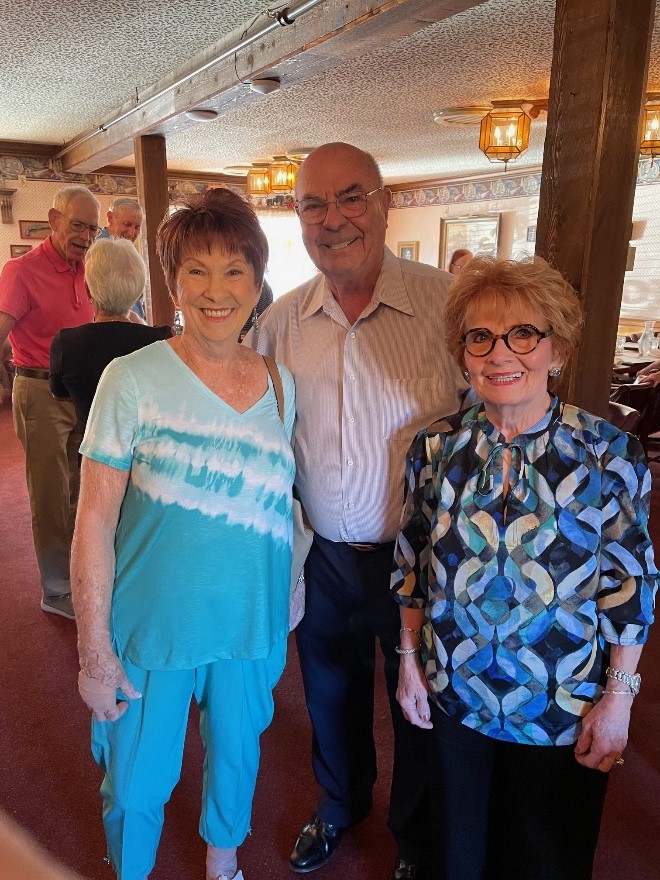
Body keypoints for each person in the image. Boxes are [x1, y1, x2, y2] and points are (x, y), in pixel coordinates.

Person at [391, 256, 658, 880]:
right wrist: (408, 662)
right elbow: (412, 565)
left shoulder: (607, 453)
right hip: (456, 688)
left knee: (543, 858)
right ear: (463, 355)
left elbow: (631, 585)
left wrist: (618, 698)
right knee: (458, 855)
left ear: (556, 350)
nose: (499, 353)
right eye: (480, 337)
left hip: (561, 700)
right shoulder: (436, 447)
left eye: (523, 334)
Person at [248, 142, 468, 880]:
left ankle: (413, 835)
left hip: (422, 561)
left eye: (351, 198)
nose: (333, 219)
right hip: (324, 555)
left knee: (419, 705)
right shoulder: (280, 324)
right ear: (297, 217)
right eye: (313, 204)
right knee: (329, 693)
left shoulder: (446, 308)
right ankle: (339, 805)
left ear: (384, 204)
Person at [70, 187, 295, 880]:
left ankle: (222, 863)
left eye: (234, 270)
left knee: (237, 760)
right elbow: (93, 520)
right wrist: (93, 651)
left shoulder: (282, 384)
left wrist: (288, 601)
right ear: (171, 282)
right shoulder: (130, 379)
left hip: (249, 625)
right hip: (152, 627)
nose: (216, 290)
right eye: (196, 270)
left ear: (257, 280)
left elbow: (283, 505)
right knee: (136, 783)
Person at [0, 184, 100, 619]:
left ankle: (80, 574)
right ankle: (56, 589)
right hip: (40, 390)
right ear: (54, 220)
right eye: (78, 226)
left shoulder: (90, 268)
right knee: (50, 495)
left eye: (93, 229)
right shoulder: (21, 271)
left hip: (83, 392)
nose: (86, 237)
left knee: (83, 488)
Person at [49, 238, 171, 432]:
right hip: (148, 447)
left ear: (88, 289)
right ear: (139, 292)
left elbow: (59, 394)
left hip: (93, 444)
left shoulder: (66, 343)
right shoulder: (162, 340)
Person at [98, 198, 146, 318]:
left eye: (137, 227)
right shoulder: (98, 250)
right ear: (110, 218)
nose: (131, 233)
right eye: (127, 224)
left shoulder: (129, 251)